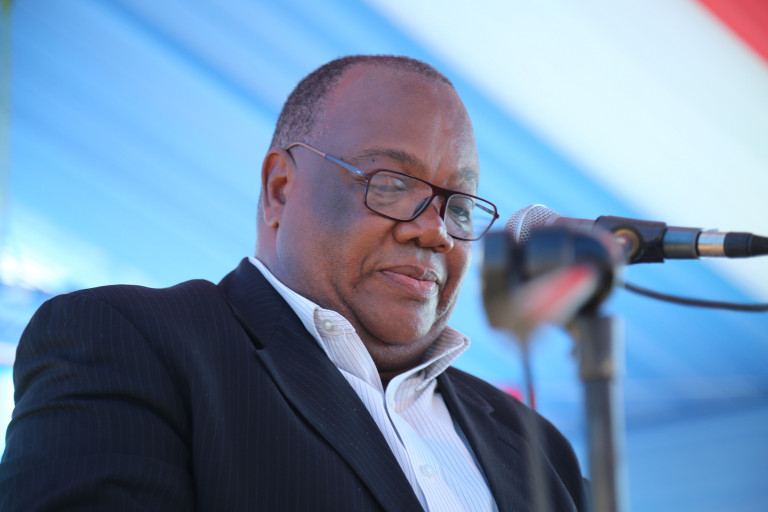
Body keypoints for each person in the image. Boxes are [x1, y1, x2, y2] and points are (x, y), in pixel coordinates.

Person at [0, 55, 588, 511]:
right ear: (280, 189)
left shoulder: (538, 447)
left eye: (458, 205)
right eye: (391, 184)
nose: (435, 231)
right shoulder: (134, 342)